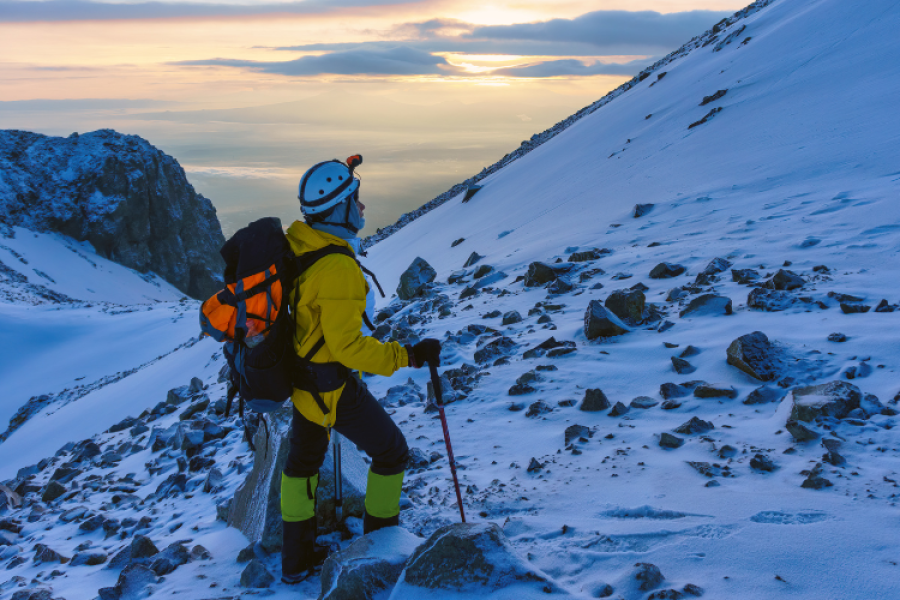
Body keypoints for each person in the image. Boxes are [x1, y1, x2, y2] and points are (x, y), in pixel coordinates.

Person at [280, 155, 440, 584]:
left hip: (301, 381)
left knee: (301, 467)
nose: (363, 208)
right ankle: (383, 542)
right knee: (391, 451)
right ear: (337, 209)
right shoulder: (337, 267)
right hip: (331, 385)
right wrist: (406, 355)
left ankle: (295, 561)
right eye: (356, 200)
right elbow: (348, 347)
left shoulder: (300, 242)